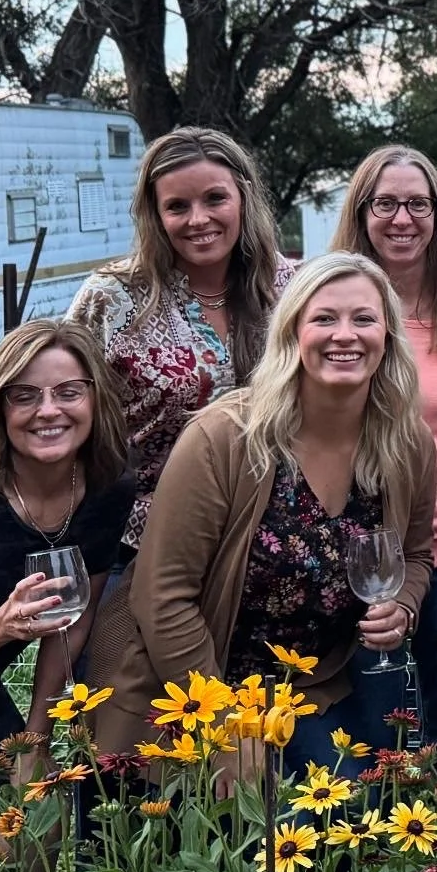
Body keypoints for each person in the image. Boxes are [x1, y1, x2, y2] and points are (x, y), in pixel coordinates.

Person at [97, 253, 434, 760]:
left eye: (364, 318)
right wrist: (226, 728)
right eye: (324, 318)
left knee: (356, 816)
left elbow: (416, 556)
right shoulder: (225, 439)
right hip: (202, 689)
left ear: (388, 336)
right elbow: (162, 597)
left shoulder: (407, 444)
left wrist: (403, 604)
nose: (345, 334)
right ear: (292, 333)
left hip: (320, 686)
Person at [331, 147, 437, 774]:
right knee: (382, 739)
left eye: (418, 204)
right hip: (365, 560)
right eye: (385, 204)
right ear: (362, 212)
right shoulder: (333, 304)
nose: (402, 218)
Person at [69, 127, 295, 554]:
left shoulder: (288, 287)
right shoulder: (112, 297)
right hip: (142, 541)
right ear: (155, 214)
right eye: (177, 206)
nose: (198, 219)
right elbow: (67, 406)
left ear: (243, 197)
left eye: (215, 198)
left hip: (271, 536)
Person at [0, 321, 133, 748]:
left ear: (95, 399)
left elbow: (72, 619)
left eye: (68, 392)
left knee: (34, 808)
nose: (49, 410)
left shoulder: (108, 488)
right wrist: (2, 624)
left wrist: (36, 738)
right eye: (25, 396)